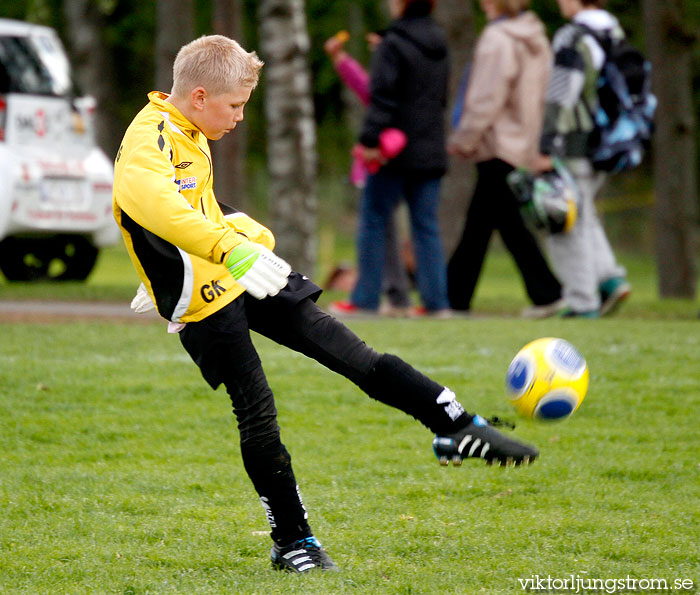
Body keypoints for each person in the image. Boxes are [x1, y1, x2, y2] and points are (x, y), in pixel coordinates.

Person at [113, 34, 538, 573]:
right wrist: (193, 263)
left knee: (349, 351)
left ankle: (453, 426)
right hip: (206, 295)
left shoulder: (189, 127)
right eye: (236, 106)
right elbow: (149, 201)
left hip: (239, 268)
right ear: (199, 96)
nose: (241, 117)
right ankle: (292, 543)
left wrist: (239, 239)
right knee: (258, 413)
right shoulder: (148, 139)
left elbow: (195, 204)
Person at [330, 0, 452, 317]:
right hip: (431, 147)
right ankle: (436, 303)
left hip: (393, 151)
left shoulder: (393, 45)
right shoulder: (439, 44)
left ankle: (365, 298)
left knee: (373, 219)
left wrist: (370, 140)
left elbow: (383, 96)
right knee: (425, 226)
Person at [446, 0, 564, 319]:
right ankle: (545, 293)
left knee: (483, 225)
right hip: (521, 141)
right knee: (499, 223)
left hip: (497, 142)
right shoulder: (536, 37)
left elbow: (487, 96)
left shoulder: (497, 39)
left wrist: (464, 137)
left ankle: (453, 299)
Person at [535, 0, 631, 317]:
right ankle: (609, 278)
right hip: (608, 143)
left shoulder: (572, 36)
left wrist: (547, 141)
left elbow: (562, 92)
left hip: (574, 142)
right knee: (586, 214)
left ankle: (582, 301)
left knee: (565, 222)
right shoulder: (612, 31)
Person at [324, 31, 413, 316]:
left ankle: (370, 297)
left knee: (374, 230)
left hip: (381, 161)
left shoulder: (394, 84)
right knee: (385, 232)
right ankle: (398, 295)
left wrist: (343, 59)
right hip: (397, 160)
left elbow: (367, 90)